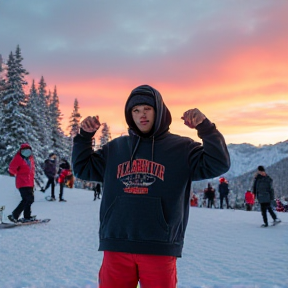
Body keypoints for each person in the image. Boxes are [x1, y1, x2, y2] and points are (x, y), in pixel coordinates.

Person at [72, 84, 230, 288]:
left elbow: (218, 163)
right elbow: (82, 168)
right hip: (116, 243)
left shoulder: (182, 148)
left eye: (147, 108)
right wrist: (84, 138)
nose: (142, 115)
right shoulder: (115, 148)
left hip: (159, 246)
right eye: (135, 111)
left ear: (159, 110)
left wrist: (206, 128)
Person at [7, 143, 36, 223]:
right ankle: (14, 215)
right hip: (22, 182)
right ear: (21, 151)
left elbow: (31, 170)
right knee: (26, 199)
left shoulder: (30, 158)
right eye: (24, 150)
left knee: (30, 199)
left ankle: (27, 216)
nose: (27, 152)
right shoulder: (18, 158)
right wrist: (17, 171)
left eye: (28, 150)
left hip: (29, 182)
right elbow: (11, 169)